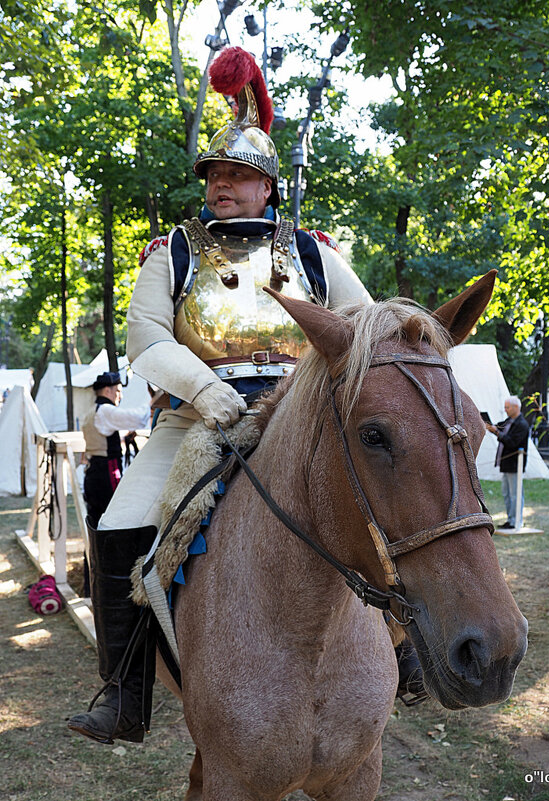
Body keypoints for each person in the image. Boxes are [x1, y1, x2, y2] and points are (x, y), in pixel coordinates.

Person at [67, 46, 372, 746]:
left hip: (303, 416)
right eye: (215, 172)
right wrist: (204, 388)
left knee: (387, 504)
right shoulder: (171, 251)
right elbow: (146, 336)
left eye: (238, 173)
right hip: (194, 419)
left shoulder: (315, 254)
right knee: (120, 529)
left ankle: (407, 650)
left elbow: (361, 325)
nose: (222, 183)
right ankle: (126, 695)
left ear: (267, 186)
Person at [82, 371, 151, 528]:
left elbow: (102, 439)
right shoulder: (106, 410)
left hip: (93, 471)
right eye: (118, 391)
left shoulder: (91, 412)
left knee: (97, 518)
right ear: (108, 390)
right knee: (114, 514)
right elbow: (137, 418)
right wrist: (152, 403)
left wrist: (123, 438)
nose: (120, 396)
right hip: (107, 471)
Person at [486, 396, 530, 529]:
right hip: (506, 464)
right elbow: (500, 428)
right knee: (506, 493)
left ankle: (517, 520)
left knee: (515, 494)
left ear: (516, 407)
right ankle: (510, 520)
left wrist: (496, 432)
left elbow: (511, 442)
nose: (505, 410)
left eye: (507, 407)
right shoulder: (509, 421)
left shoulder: (522, 424)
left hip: (515, 464)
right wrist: (491, 427)